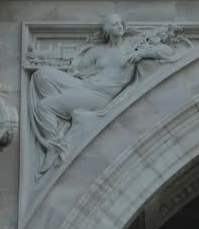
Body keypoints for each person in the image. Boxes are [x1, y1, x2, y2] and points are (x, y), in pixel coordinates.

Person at [28, 14, 183, 175]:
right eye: (114, 24)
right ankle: (62, 119)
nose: (119, 26)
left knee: (44, 106)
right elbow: (75, 68)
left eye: (120, 23)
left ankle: (55, 146)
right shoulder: (98, 51)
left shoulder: (133, 46)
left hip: (99, 97)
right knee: (42, 74)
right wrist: (42, 58)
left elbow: (168, 51)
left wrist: (144, 54)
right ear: (107, 29)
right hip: (83, 85)